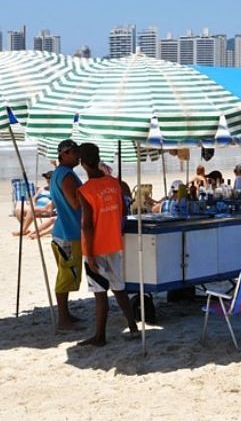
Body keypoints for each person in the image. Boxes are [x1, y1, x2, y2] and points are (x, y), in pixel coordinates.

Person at [77, 143, 138, 346]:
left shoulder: (84, 190)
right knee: (119, 288)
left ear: (82, 163)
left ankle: (100, 336)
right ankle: (133, 327)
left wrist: (91, 254)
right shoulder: (115, 184)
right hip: (114, 243)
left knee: (100, 292)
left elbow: (87, 225)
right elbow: (122, 212)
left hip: (95, 246)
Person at [49, 139, 84, 331]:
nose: (77, 155)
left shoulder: (58, 173)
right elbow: (75, 202)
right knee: (66, 274)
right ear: (63, 154)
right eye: (73, 152)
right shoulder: (66, 175)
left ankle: (66, 315)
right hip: (68, 232)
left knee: (67, 273)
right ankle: (63, 319)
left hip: (63, 230)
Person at [13, 170, 56, 236]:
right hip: (36, 207)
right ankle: (25, 229)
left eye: (49, 178)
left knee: (31, 210)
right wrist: (32, 204)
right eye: (46, 178)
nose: (47, 180)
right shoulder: (42, 189)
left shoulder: (56, 189)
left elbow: (55, 201)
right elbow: (33, 199)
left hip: (47, 209)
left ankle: (23, 230)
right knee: (18, 210)